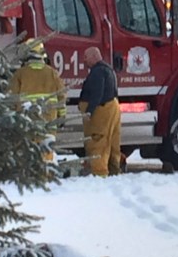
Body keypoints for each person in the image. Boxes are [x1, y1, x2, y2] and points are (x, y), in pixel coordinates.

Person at [9, 42, 67, 162]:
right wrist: (61, 116)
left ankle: (31, 177)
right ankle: (47, 176)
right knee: (47, 152)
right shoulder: (52, 73)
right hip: (49, 119)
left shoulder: (20, 74)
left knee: (28, 151)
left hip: (26, 119)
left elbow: (12, 98)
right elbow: (61, 96)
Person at [78, 46, 123, 176]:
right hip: (112, 106)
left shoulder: (97, 72)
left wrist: (89, 111)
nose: (84, 60)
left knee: (98, 140)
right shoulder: (108, 70)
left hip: (101, 110)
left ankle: (99, 173)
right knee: (112, 141)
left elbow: (97, 93)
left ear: (94, 57)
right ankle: (114, 169)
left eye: (86, 57)